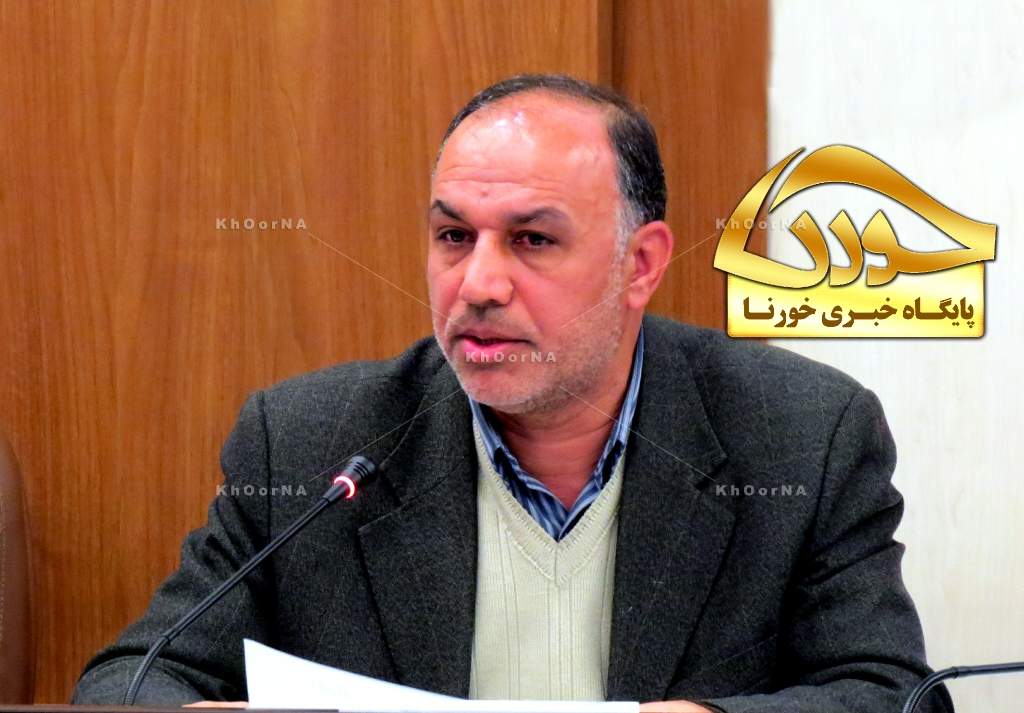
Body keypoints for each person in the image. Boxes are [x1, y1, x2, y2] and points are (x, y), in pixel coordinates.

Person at [72, 74, 952, 713]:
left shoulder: (801, 434)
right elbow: (129, 680)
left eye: (532, 240)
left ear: (641, 263)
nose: (479, 284)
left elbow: (895, 695)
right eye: (454, 236)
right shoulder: (309, 441)